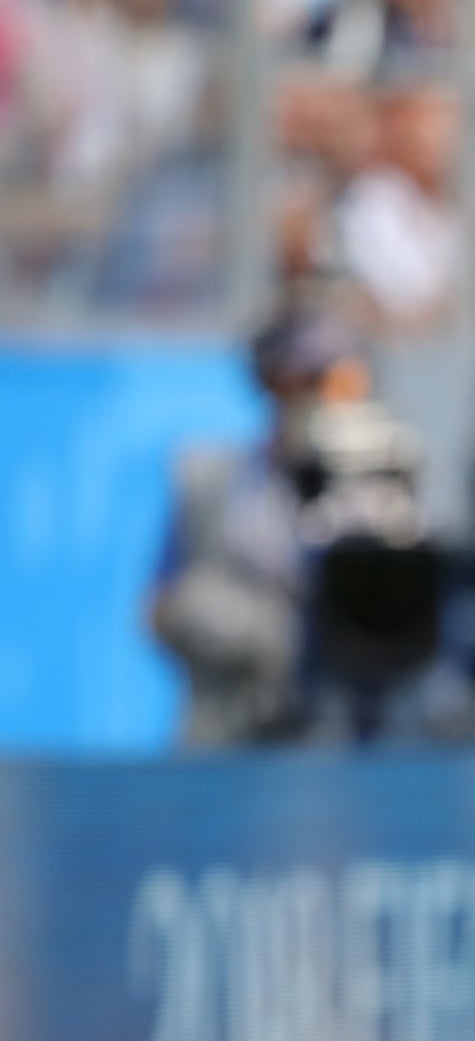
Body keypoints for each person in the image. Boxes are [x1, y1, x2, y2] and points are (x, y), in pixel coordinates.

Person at [152, 308, 366, 747]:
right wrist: (266, 631)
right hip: (227, 733)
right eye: (300, 380)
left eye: (324, 381)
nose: (313, 397)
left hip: (337, 747)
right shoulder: (214, 481)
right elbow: (160, 608)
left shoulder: (376, 484)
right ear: (270, 383)